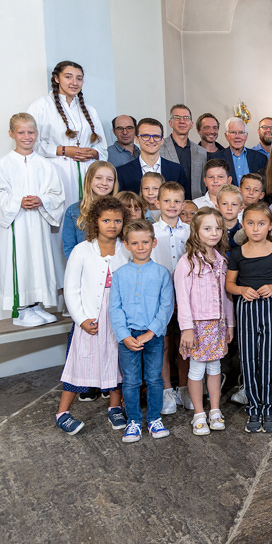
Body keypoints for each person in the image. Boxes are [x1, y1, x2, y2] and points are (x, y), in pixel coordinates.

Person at [54, 196, 130, 436]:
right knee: (80, 362)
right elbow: (71, 289)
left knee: (117, 361)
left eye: (117, 221)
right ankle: (62, 413)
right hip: (90, 319)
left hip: (117, 318)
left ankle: (115, 407)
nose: (112, 225)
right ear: (95, 221)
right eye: (106, 220)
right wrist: (81, 319)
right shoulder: (82, 250)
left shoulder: (126, 249)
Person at [0, 113, 66, 327]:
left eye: (31, 132)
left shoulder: (44, 164)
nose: (26, 136)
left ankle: (34, 305)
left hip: (38, 223)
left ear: (37, 134)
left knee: (38, 260)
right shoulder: (5, 164)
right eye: (21, 132)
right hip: (17, 224)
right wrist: (18, 201)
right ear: (11, 134)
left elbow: (57, 194)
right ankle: (20, 310)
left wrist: (42, 200)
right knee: (20, 260)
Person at [109, 219, 175, 443]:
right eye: (135, 243)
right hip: (127, 336)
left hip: (153, 336)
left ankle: (154, 418)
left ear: (153, 243)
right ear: (127, 245)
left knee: (154, 378)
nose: (140, 247)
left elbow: (166, 306)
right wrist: (124, 335)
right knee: (131, 380)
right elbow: (115, 308)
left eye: (145, 242)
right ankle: (134, 421)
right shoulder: (119, 274)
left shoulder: (162, 273)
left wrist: (151, 332)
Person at [226, 202, 272, 434]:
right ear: (243, 225)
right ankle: (253, 407)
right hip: (246, 308)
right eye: (250, 223)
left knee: (270, 357)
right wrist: (242, 290)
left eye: (261, 223)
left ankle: (270, 407)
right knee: (249, 358)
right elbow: (229, 284)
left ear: (270, 226)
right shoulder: (237, 254)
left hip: (270, 306)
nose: (255, 228)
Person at [174, 207, 234, 436]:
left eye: (218, 228)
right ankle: (199, 413)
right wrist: (187, 329)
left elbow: (227, 296)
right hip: (197, 326)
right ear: (196, 231)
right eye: (207, 228)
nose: (214, 233)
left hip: (218, 324)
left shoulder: (222, 261)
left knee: (215, 367)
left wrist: (230, 324)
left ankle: (215, 410)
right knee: (197, 368)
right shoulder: (187, 262)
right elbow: (182, 298)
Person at [29, 60, 107, 208]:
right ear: (56, 78)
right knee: (61, 212)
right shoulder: (41, 106)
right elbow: (30, 144)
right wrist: (63, 150)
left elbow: (102, 146)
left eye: (79, 78)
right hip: (56, 172)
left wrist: (93, 153)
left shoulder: (89, 110)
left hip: (87, 173)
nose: (74, 82)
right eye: (68, 77)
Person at [151, 182, 190, 414]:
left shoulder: (190, 231)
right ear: (158, 203)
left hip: (186, 296)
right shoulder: (151, 232)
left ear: (183, 205)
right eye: (167, 200)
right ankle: (167, 391)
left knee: (184, 343)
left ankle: (184, 388)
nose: (172, 205)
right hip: (160, 296)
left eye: (177, 201)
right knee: (163, 344)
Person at [62, 161, 118, 259]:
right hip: (85, 265)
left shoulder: (121, 210)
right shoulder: (73, 211)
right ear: (89, 179)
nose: (104, 183)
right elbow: (69, 248)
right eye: (98, 178)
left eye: (109, 179)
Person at [116, 118, 189, 194]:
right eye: (145, 136)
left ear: (162, 140)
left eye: (156, 136)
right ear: (136, 139)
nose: (151, 140)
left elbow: (185, 199)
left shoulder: (177, 170)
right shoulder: (122, 172)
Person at [160, 104, 208, 199]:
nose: (182, 121)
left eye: (186, 118)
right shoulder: (160, 148)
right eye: (177, 117)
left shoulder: (201, 152)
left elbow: (203, 185)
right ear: (170, 123)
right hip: (169, 202)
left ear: (191, 124)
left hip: (195, 203)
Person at [211, 118, 268, 186]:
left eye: (241, 132)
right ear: (226, 136)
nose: (237, 136)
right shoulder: (215, 159)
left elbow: (264, 186)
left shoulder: (261, 158)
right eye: (233, 132)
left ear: (246, 136)